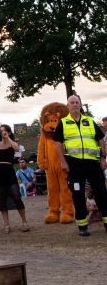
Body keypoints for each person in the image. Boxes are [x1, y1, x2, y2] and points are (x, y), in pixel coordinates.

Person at [53, 94, 107, 238]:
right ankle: (82, 226)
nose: (75, 105)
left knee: (102, 192)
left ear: (80, 105)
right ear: (68, 106)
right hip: (74, 165)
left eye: (77, 102)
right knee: (77, 195)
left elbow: (100, 139)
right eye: (72, 103)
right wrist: (63, 162)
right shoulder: (63, 123)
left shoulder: (89, 121)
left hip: (93, 164)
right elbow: (57, 144)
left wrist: (103, 157)